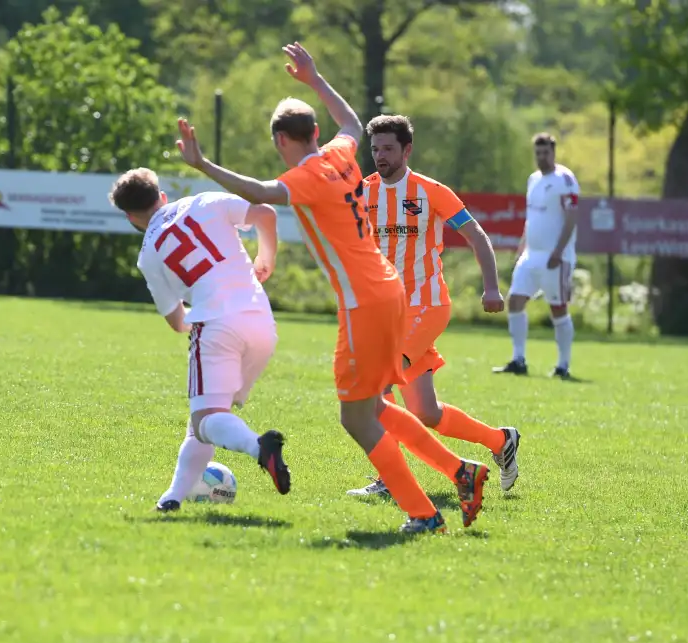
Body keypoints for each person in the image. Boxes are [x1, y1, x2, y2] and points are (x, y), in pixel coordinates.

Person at [172, 42, 490, 534]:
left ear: (281, 141)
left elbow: (259, 193)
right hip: (389, 291)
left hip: (363, 303)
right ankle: (461, 472)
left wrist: (202, 164)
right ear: (315, 132)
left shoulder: (306, 177)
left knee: (356, 418)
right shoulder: (342, 152)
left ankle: (424, 513)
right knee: (376, 407)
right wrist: (315, 79)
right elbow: (350, 120)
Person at [346, 114, 522, 499]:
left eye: (388, 148)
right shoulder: (364, 192)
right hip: (387, 312)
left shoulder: (430, 191)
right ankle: (500, 441)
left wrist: (491, 287)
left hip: (427, 305)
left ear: (407, 150)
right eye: (375, 149)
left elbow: (475, 234)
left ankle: (393, 478)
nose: (380, 156)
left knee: (378, 384)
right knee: (426, 412)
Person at [107, 167, 291, 511]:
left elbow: (177, 321)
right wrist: (266, 259)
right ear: (161, 196)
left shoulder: (148, 255)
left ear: (131, 218)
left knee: (206, 420)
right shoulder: (204, 201)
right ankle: (172, 497)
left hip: (216, 327)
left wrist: (201, 320)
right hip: (262, 323)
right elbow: (265, 213)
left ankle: (259, 448)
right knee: (203, 419)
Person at [493, 133, 581, 380]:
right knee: (515, 300)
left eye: (546, 153)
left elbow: (572, 218)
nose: (542, 157)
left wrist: (558, 251)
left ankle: (563, 365)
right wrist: (522, 247)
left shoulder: (565, 179)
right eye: (538, 153)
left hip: (556, 257)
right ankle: (518, 359)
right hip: (532, 256)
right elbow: (532, 219)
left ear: (554, 153)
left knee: (558, 309)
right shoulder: (533, 179)